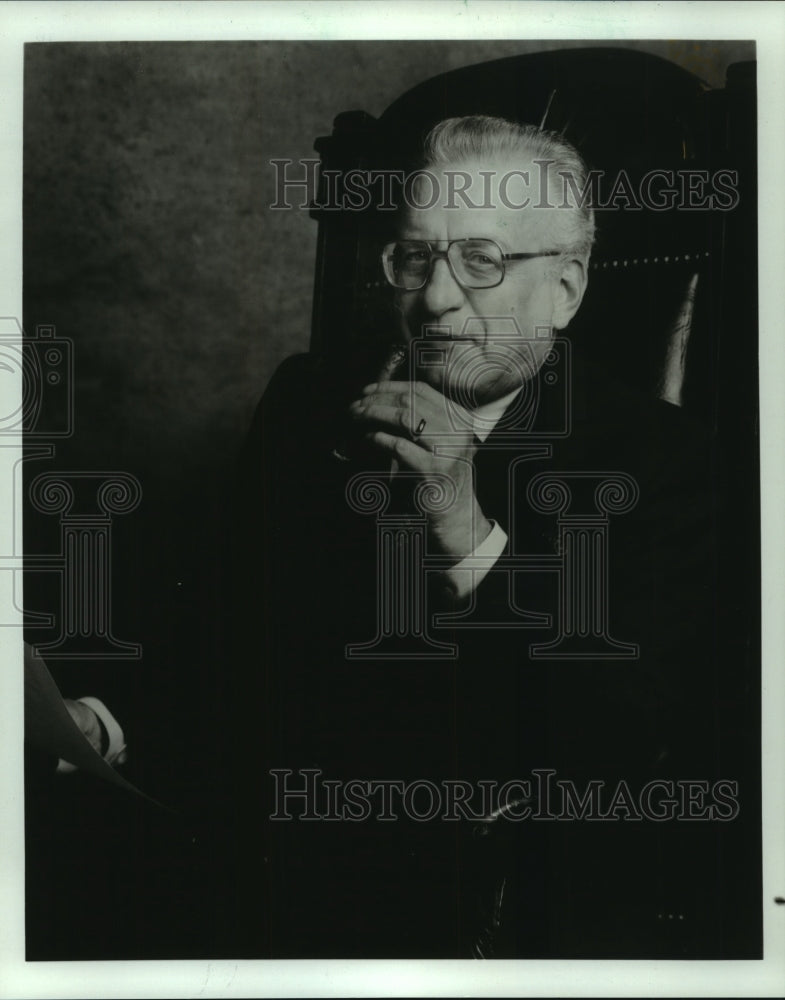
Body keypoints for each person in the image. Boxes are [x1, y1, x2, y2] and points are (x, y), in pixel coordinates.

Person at [231, 115, 725, 958]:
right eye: (415, 256)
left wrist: (465, 530)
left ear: (565, 290)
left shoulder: (668, 459)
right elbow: (222, 632)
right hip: (269, 858)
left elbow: (615, 742)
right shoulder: (309, 395)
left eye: (483, 260)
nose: (432, 297)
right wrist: (101, 723)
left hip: (486, 901)